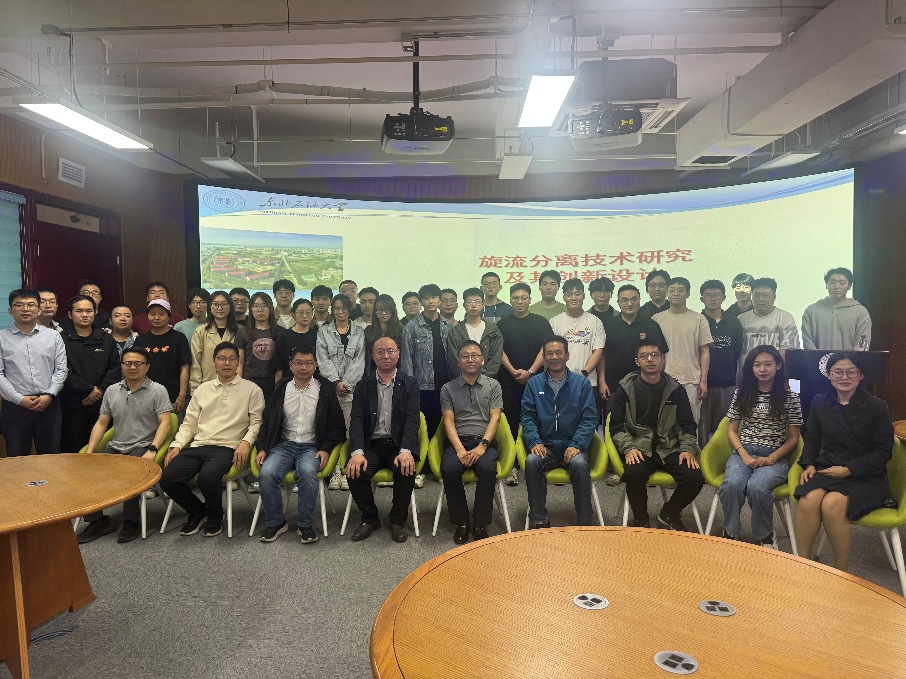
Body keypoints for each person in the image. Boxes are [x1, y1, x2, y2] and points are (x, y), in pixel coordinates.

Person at [794, 352, 893, 571]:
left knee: (832, 504)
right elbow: (812, 438)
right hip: (829, 468)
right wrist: (809, 464)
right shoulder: (820, 402)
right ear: (829, 375)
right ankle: (803, 566)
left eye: (851, 372)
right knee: (808, 500)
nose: (844, 377)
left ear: (860, 375)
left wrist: (849, 469)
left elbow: (883, 452)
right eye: (838, 372)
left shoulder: (877, 406)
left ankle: (841, 572)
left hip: (865, 475)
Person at [161, 342, 264, 537]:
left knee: (207, 477)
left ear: (238, 362)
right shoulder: (203, 389)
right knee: (168, 477)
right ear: (214, 362)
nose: (227, 363)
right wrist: (177, 445)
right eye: (222, 359)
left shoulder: (252, 389)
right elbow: (189, 424)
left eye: (232, 359)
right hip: (199, 445)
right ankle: (198, 511)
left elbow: (257, 423)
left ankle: (216, 516)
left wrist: (246, 442)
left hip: (229, 447)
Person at [76, 347, 172, 544]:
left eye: (138, 363)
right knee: (85, 470)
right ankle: (98, 521)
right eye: (128, 363)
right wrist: (90, 451)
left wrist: (153, 449)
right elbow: (102, 423)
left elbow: (165, 423)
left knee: (130, 472)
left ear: (147, 367)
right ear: (122, 366)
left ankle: (131, 521)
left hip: (143, 446)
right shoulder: (112, 391)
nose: (132, 367)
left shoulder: (158, 390)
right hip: (116, 447)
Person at [255, 345, 346, 544]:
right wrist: (262, 448)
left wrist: (325, 449)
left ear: (315, 365)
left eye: (308, 363)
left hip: (312, 446)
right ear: (291, 365)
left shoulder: (325, 389)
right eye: (298, 363)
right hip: (284, 445)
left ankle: (305, 524)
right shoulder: (282, 388)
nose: (303, 367)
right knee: (267, 473)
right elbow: (267, 422)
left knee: (306, 472)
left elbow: (337, 427)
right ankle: (276, 522)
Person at [608, 341, 703, 530]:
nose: (650, 359)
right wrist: (629, 448)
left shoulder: (676, 390)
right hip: (638, 446)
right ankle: (641, 519)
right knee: (633, 473)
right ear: (637, 361)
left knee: (695, 477)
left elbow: (687, 425)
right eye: (644, 356)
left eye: (655, 355)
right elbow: (616, 427)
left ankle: (669, 513)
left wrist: (687, 449)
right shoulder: (625, 390)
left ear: (662, 359)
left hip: (669, 447)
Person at [720, 345, 802, 548]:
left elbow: (794, 438)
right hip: (743, 451)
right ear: (751, 368)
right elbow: (732, 430)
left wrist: (772, 458)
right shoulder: (741, 393)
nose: (762, 369)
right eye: (757, 365)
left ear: (778, 366)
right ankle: (730, 531)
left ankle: (765, 535)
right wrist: (744, 455)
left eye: (768, 364)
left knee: (757, 487)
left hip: (774, 456)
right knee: (731, 485)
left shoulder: (791, 396)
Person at [345, 337, 422, 543]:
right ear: (373, 356)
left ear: (398, 354)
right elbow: (356, 420)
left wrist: (406, 450)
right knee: (354, 471)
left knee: (406, 469)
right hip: (372, 444)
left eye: (390, 351)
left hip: (398, 444)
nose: (386, 356)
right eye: (380, 352)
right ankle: (370, 518)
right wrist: (357, 452)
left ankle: (398, 520)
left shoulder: (410, 383)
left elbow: (412, 421)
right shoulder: (363, 385)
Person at [521, 336, 598, 528]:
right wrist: (534, 441)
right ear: (544, 357)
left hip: (574, 446)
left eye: (559, 352)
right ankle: (539, 518)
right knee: (532, 461)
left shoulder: (582, 384)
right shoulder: (534, 384)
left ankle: (584, 522)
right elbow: (527, 417)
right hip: (545, 446)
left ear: (567, 355)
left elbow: (589, 419)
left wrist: (577, 445)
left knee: (579, 464)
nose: (554, 357)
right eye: (549, 353)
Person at [440, 340, 503, 543]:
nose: (470, 359)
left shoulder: (494, 385)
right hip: (458, 441)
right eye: (465, 356)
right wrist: (459, 449)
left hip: (484, 441)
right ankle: (462, 522)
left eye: (474, 355)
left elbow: (495, 418)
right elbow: (448, 421)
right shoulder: (447, 388)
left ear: (482, 360)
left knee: (487, 469)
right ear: (458, 361)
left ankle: (480, 523)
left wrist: (482, 447)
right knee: (449, 469)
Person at [0, 289, 67, 456]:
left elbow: (61, 369)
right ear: (10, 310)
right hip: (15, 407)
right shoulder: (1, 338)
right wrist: (19, 399)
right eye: (19, 305)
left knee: (50, 456)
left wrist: (49, 395)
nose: (25, 309)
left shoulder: (53, 336)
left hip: (49, 405)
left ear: (38, 310)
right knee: (17, 457)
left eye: (31, 305)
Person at [496, 282, 549, 484]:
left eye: (523, 298)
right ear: (510, 300)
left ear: (529, 299)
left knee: (535, 422)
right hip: (508, 381)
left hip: (536, 382)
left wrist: (530, 372)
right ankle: (512, 466)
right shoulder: (503, 324)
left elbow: (545, 349)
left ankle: (536, 463)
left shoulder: (540, 322)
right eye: (516, 298)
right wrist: (512, 371)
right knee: (510, 423)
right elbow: (499, 350)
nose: (520, 301)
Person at [60, 295, 121, 452]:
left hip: (102, 405)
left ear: (95, 313)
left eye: (89, 311)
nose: (84, 315)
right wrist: (88, 389)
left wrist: (100, 390)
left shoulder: (106, 339)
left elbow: (115, 367)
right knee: (73, 451)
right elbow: (62, 370)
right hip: (72, 405)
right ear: (70, 314)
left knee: (101, 450)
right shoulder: (61, 340)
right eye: (79, 311)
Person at [318, 294, 367, 491]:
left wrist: (346, 384)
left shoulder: (359, 332)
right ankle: (335, 471)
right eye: (336, 308)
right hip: (330, 390)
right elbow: (322, 360)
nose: (340, 312)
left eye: (344, 308)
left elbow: (359, 361)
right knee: (331, 431)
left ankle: (346, 470)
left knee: (350, 431)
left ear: (350, 310)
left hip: (351, 390)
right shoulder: (323, 331)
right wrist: (336, 382)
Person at [653, 277, 712, 423]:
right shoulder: (656, 319)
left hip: (691, 380)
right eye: (672, 290)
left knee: (690, 423)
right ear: (667, 293)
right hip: (663, 380)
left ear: (688, 293)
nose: (676, 293)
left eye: (681, 290)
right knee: (664, 424)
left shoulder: (699, 319)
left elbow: (705, 352)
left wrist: (703, 381)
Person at [401, 283, 451, 440]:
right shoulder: (411, 327)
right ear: (421, 302)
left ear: (439, 300)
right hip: (421, 385)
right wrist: (409, 386)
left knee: (444, 425)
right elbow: (406, 359)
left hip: (446, 383)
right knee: (424, 426)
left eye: (434, 297)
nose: (430, 301)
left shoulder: (448, 325)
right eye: (426, 298)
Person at [602, 284, 668, 397]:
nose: (630, 304)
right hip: (613, 384)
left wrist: (657, 380)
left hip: (646, 384)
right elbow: (602, 356)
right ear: (618, 302)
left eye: (634, 299)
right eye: (624, 300)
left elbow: (661, 354)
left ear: (639, 300)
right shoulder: (608, 326)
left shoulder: (651, 325)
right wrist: (602, 382)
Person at [698, 279, 743, 445]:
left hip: (727, 384)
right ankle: (701, 458)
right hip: (702, 385)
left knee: (724, 428)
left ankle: (722, 459)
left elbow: (737, 349)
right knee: (701, 428)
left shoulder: (733, 321)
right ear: (701, 298)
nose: (712, 298)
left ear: (723, 297)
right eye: (708, 295)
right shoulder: (697, 320)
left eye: (716, 295)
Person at [549, 278, 606, 399]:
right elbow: (550, 353)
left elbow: (598, 351)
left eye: (577, 294)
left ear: (584, 296)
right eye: (569, 294)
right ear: (564, 297)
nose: (573, 298)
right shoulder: (554, 322)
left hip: (588, 382)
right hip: (560, 382)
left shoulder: (595, 321)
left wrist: (583, 373)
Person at [133, 299, 191, 415]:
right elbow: (135, 368)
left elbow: (184, 367)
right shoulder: (141, 340)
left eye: (162, 314)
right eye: (152, 314)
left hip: (172, 397)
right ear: (147, 316)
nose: (157, 317)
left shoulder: (179, 338)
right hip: (145, 396)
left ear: (169, 317)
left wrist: (181, 396)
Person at [801, 267, 872, 351]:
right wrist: (819, 358)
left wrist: (847, 359)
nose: (836, 286)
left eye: (842, 283)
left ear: (849, 286)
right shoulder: (811, 311)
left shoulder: (860, 312)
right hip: (817, 359)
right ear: (826, 285)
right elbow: (808, 343)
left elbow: (861, 345)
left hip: (850, 359)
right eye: (832, 282)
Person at [737, 277, 800, 365]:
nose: (761, 299)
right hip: (746, 371)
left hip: (775, 372)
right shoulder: (741, 319)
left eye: (766, 296)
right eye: (756, 296)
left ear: (774, 296)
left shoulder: (785, 318)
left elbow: (787, 352)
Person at [446, 287, 503, 379]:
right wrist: (468, 378)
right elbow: (454, 360)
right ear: (464, 305)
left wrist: (482, 378)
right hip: (462, 382)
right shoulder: (455, 332)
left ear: (482, 305)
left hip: (488, 382)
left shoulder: (493, 330)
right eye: (469, 302)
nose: (473, 305)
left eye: (477, 302)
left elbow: (496, 360)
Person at [236, 291, 282, 401]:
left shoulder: (280, 332)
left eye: (264, 306)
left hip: (273, 380)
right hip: (249, 380)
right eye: (256, 306)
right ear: (251, 309)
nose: (260, 310)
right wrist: (238, 384)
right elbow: (239, 363)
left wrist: (279, 386)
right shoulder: (243, 332)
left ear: (271, 308)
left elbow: (282, 365)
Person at [190, 291, 238, 393]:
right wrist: (195, 391)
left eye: (223, 304)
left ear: (230, 306)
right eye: (215, 304)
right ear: (210, 307)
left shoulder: (239, 331)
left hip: (234, 387)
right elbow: (195, 364)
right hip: (207, 388)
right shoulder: (200, 331)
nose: (219, 308)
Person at [272, 298, 319, 376]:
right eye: (301, 313)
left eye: (308, 312)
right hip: (289, 380)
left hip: (313, 380)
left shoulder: (318, 335)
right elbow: (279, 367)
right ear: (293, 315)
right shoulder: (283, 336)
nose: (305, 316)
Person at [364, 294, 404, 373]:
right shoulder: (369, 331)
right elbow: (367, 358)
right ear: (375, 311)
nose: (384, 313)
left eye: (387, 309)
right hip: (374, 373)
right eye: (380, 309)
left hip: (396, 373)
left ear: (392, 311)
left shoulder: (401, 330)